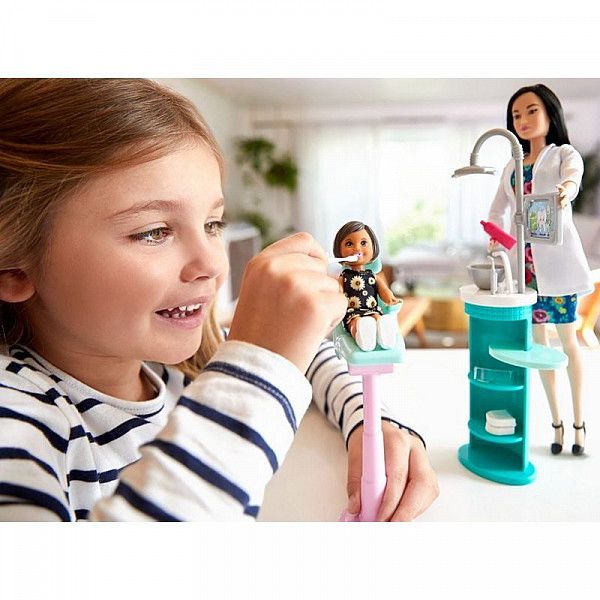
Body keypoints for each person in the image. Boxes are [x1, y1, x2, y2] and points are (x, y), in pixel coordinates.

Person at [0, 79, 438, 521]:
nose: (212, 263)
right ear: (13, 269)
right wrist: (254, 370)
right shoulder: (17, 421)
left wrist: (371, 423)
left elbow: (314, 360)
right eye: (153, 232)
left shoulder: (175, 372)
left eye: (213, 224)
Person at [487, 83, 593, 456]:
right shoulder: (512, 167)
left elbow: (573, 175)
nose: (523, 120)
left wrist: (566, 189)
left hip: (557, 269)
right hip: (526, 273)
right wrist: (497, 237)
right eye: (516, 114)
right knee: (539, 347)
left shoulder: (562, 154)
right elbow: (498, 210)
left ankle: (579, 422)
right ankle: (557, 422)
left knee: (568, 342)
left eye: (532, 111)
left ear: (550, 113)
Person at [333, 221, 403, 351]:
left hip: (372, 310)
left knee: (378, 319)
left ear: (373, 248)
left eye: (363, 243)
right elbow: (338, 292)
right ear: (339, 251)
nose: (357, 248)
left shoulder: (373, 276)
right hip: (353, 312)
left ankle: (385, 335)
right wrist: (336, 300)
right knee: (355, 323)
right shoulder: (344, 278)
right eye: (349, 244)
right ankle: (362, 336)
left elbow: (384, 290)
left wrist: (390, 299)